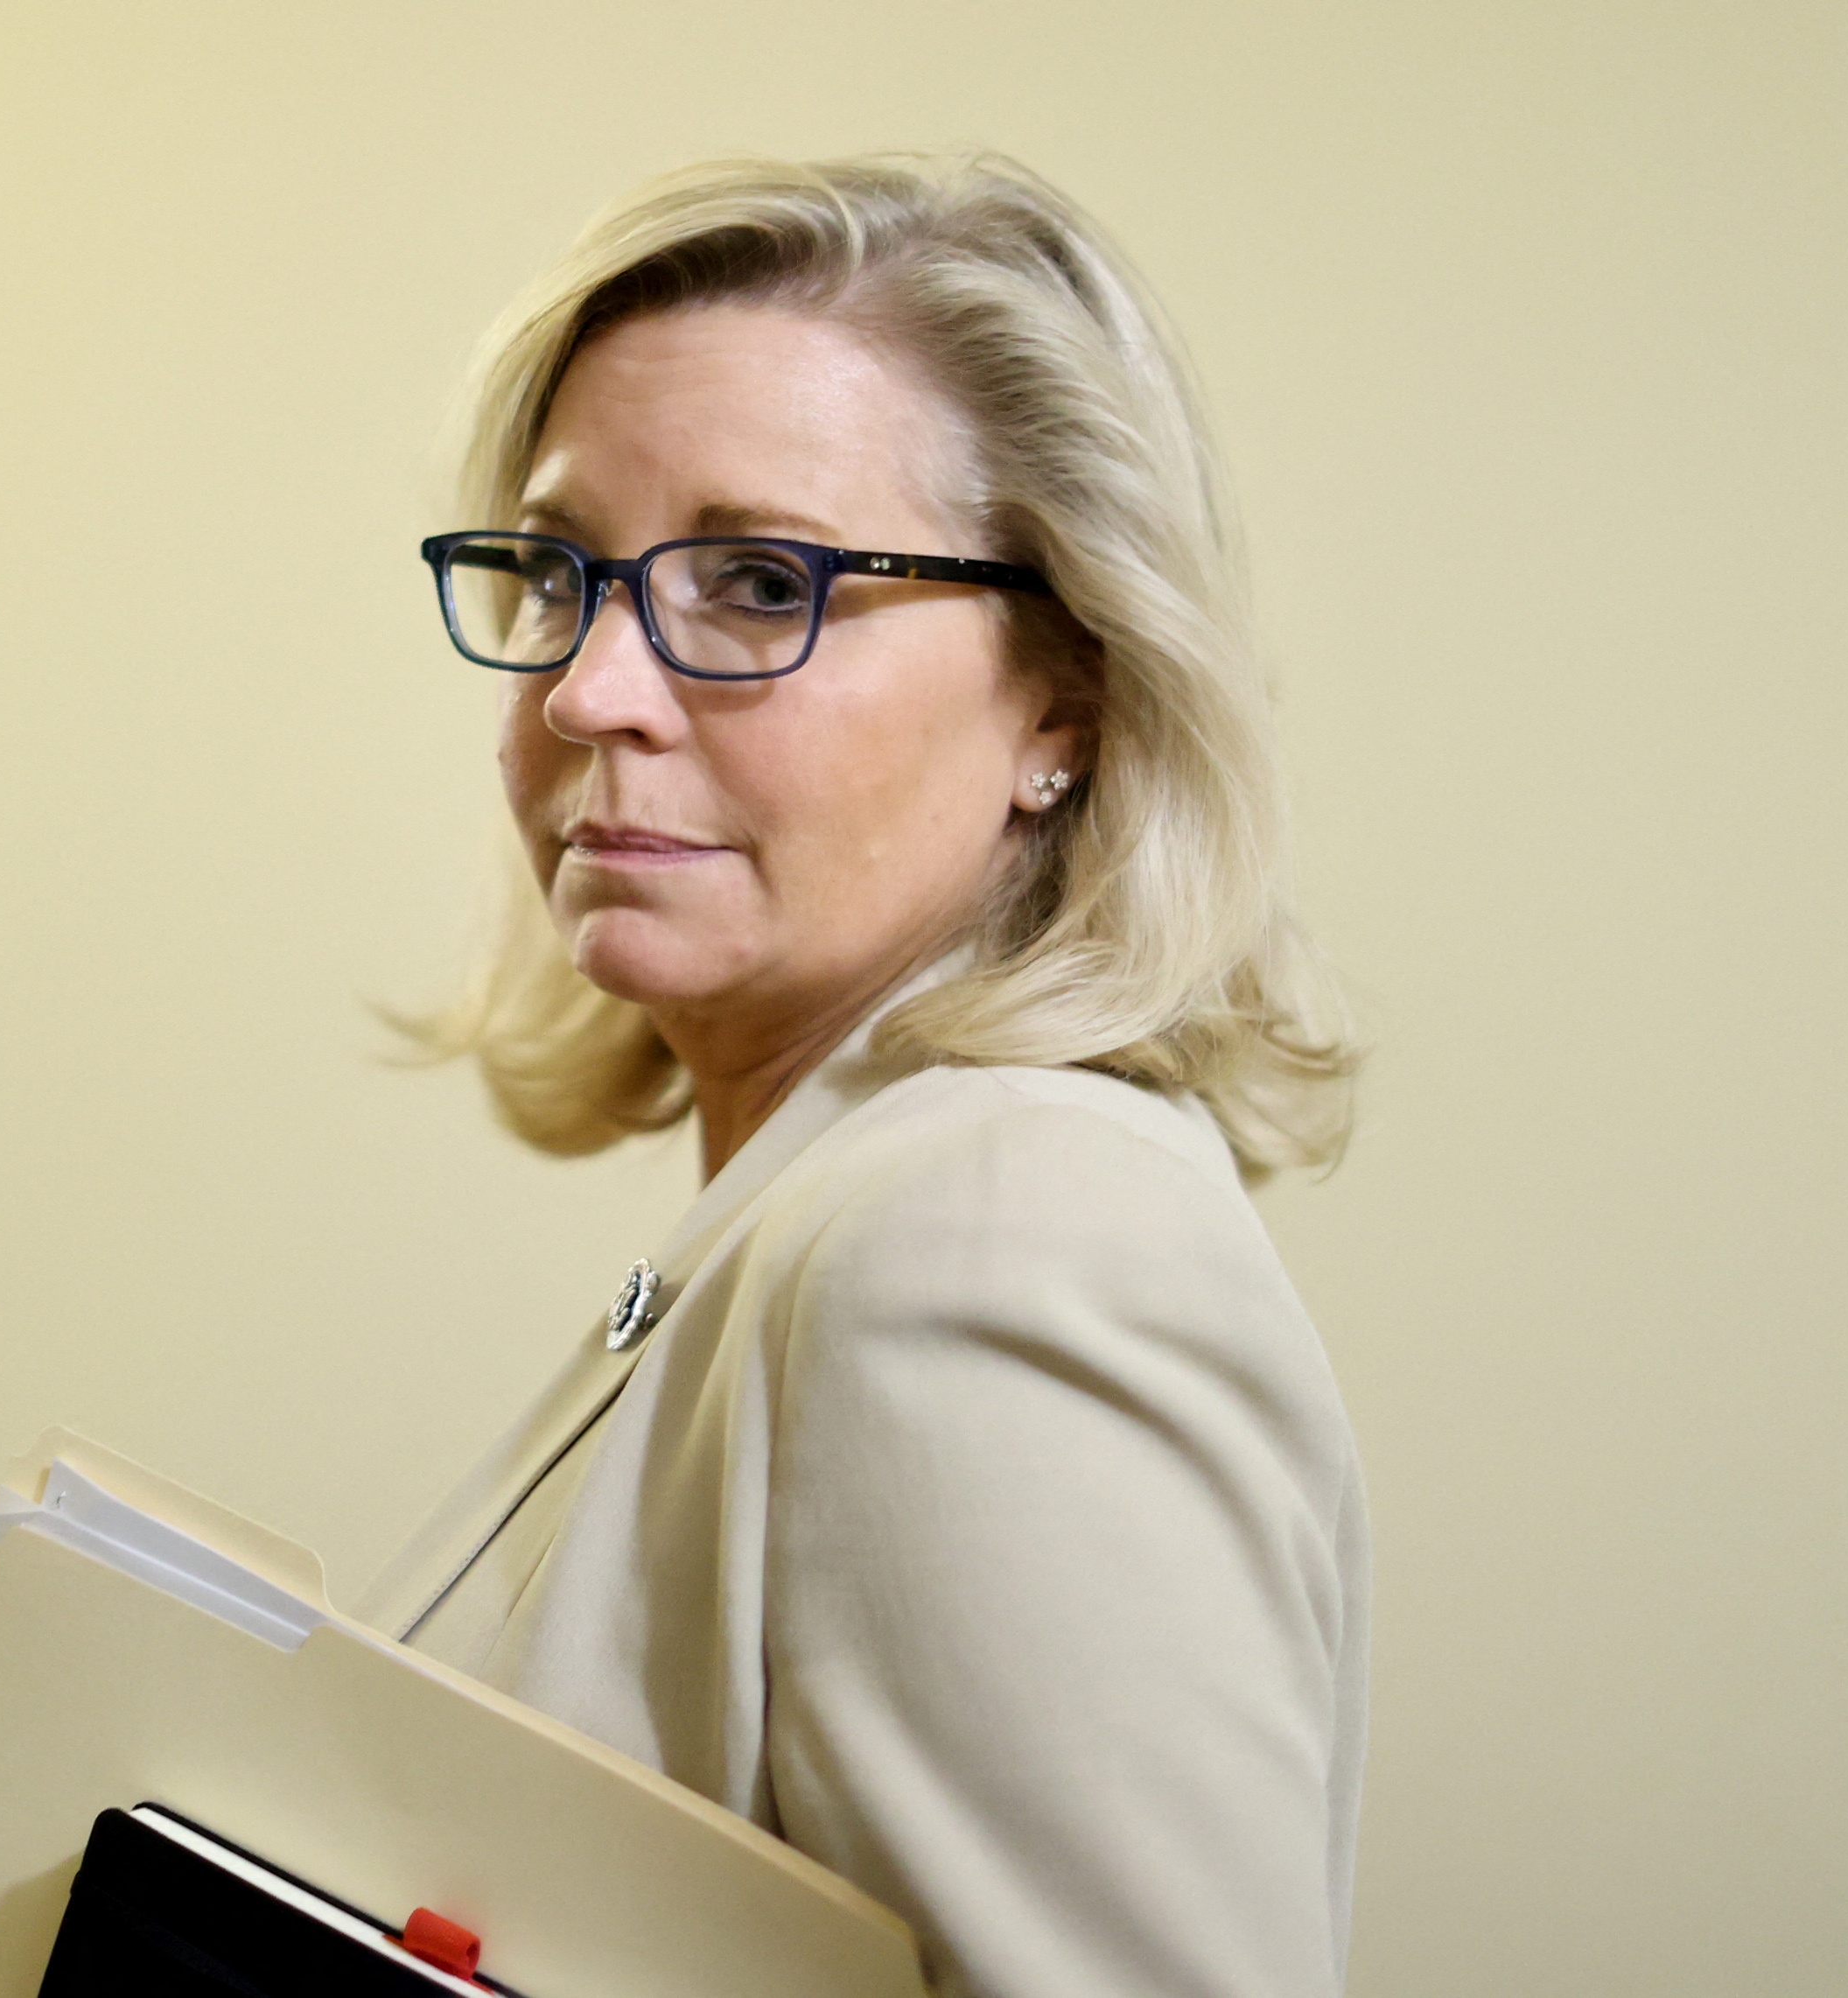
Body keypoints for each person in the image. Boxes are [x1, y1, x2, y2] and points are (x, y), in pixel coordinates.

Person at [360, 153, 1368, 1998]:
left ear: (1064, 693)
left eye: (757, 579)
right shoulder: (816, 1211)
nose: (588, 686)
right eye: (560, 572)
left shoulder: (996, 1236)